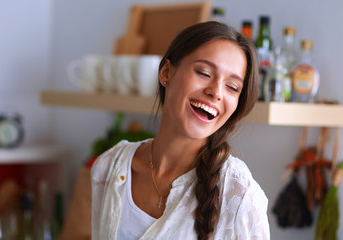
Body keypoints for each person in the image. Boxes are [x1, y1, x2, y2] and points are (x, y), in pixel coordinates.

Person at [91, 21, 270, 240]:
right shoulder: (109, 167)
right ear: (166, 72)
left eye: (232, 87)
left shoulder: (239, 194)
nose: (216, 92)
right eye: (204, 73)